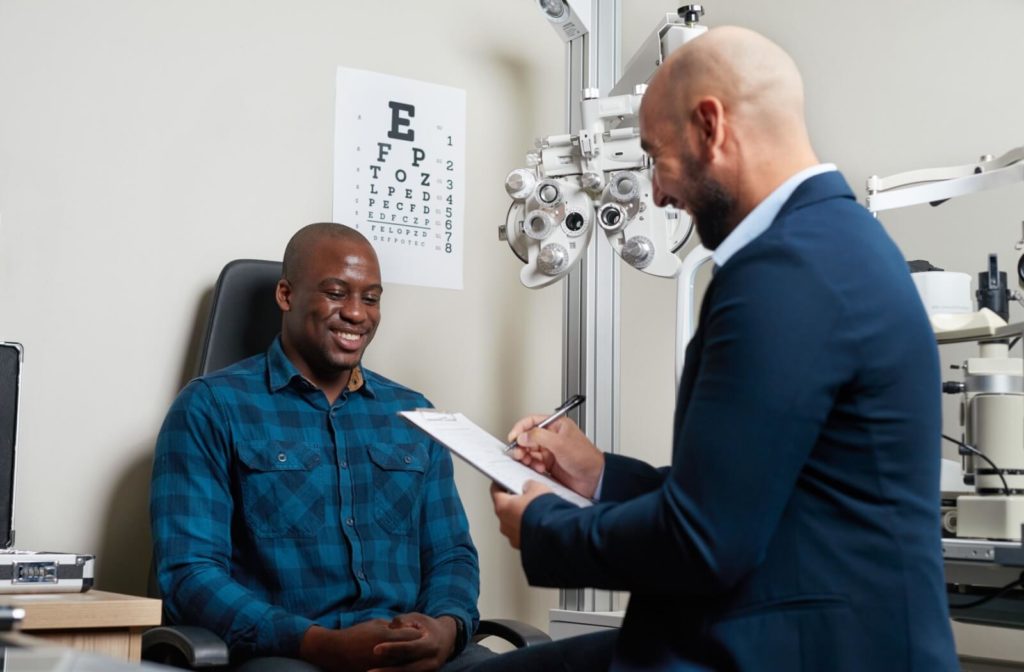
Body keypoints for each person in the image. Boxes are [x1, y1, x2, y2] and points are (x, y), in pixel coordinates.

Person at [483, 26, 959, 671]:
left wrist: (541, 525)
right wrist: (597, 477)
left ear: (710, 126)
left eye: (655, 156)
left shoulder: (785, 271)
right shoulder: (835, 241)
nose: (654, 193)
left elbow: (704, 541)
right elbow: (741, 494)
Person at [151, 223, 495, 672]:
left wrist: (446, 629)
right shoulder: (211, 408)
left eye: (371, 298)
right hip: (290, 655)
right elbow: (190, 575)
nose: (356, 313)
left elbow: (450, 554)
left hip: (413, 653)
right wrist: (319, 644)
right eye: (336, 293)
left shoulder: (415, 415)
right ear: (286, 295)